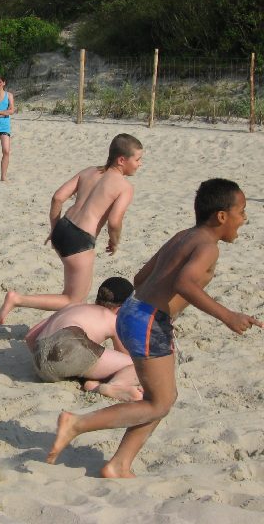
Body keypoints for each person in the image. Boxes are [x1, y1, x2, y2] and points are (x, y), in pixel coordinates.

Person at [47, 179, 261, 477]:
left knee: (162, 398)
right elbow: (184, 283)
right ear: (221, 216)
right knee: (159, 403)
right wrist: (227, 316)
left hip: (133, 311)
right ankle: (77, 424)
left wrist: (154, 306)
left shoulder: (183, 236)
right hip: (148, 321)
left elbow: (140, 278)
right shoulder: (208, 248)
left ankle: (119, 464)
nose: (245, 218)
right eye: (242, 211)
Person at [0, 133, 143, 323]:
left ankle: (57, 324)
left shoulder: (89, 171)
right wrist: (114, 242)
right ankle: (17, 299)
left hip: (63, 227)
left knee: (74, 293)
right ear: (121, 160)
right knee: (73, 299)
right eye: (137, 159)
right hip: (80, 240)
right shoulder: (124, 187)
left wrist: (54, 228)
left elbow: (58, 197)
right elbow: (114, 222)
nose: (140, 164)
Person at [24, 277, 141, 402]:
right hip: (69, 343)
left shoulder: (74, 306)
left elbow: (30, 337)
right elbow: (124, 355)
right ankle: (115, 385)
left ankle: (92, 383)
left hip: (40, 363)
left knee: (85, 360)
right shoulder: (113, 319)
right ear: (123, 307)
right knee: (139, 366)